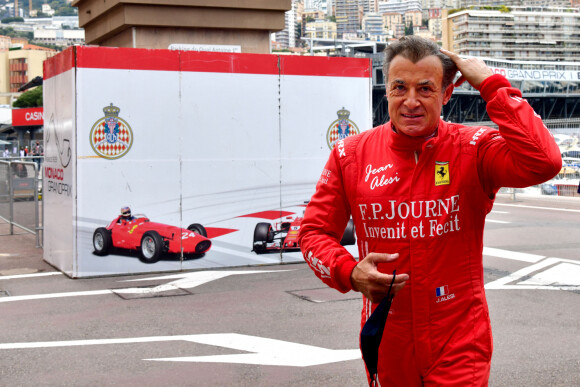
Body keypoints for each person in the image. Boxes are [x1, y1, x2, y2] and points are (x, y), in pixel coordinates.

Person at [298, 36, 561, 386]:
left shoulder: (474, 148)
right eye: (399, 87)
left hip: (459, 336)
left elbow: (544, 163)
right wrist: (349, 273)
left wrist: (491, 85)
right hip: (388, 335)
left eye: (425, 88)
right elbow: (313, 232)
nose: (411, 102)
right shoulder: (352, 154)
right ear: (387, 92)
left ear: (446, 94)